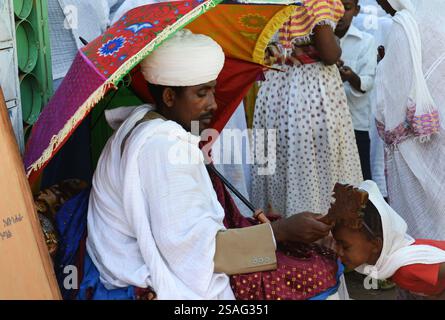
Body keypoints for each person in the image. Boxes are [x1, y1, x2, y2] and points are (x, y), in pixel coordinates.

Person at [82, 29, 346, 300]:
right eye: (201, 94)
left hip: (177, 257)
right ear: (170, 97)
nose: (212, 104)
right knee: (315, 271)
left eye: (213, 91)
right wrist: (282, 231)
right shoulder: (163, 149)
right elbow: (202, 258)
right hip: (150, 275)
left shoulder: (147, 123)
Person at [251, 0, 363, 217]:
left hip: (276, 92)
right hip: (309, 98)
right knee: (317, 168)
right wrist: (336, 45)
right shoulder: (316, 3)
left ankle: (282, 226)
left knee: (281, 162)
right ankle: (315, 228)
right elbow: (330, 54)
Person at [374, 0, 445, 240]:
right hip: (438, 132)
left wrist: (382, 68)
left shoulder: (404, 24)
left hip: (421, 144)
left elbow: (393, 107)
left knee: (429, 224)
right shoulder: (438, 14)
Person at [333, 180, 445, 300]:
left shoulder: (407, 267)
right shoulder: (388, 264)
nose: (337, 251)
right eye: (335, 243)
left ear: (376, 245)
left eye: (345, 247)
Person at [335, 0, 377, 181]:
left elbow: (368, 82)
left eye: (347, 7)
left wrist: (351, 77)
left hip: (355, 125)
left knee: (360, 186)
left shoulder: (365, 41)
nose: (340, 13)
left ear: (357, 10)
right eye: (335, 6)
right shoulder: (312, 44)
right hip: (323, 128)